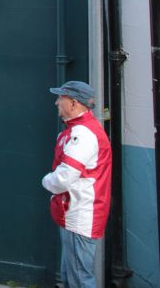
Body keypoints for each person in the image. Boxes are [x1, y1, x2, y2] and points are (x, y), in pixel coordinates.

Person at [41, 80, 111, 288]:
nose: (56, 103)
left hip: (79, 213)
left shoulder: (82, 134)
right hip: (76, 212)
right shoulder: (82, 130)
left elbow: (65, 176)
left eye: (60, 98)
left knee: (79, 279)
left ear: (73, 103)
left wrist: (46, 181)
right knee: (71, 277)